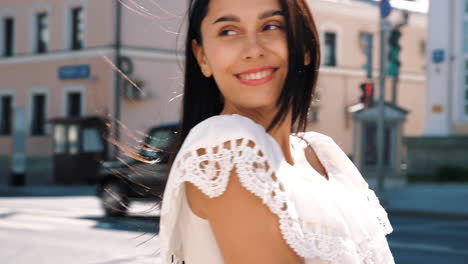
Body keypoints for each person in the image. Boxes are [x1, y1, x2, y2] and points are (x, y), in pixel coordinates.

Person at [159, 0, 395, 263]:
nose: (253, 50)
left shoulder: (320, 154)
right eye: (228, 31)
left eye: (271, 26)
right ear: (202, 56)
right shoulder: (225, 147)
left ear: (305, 46)